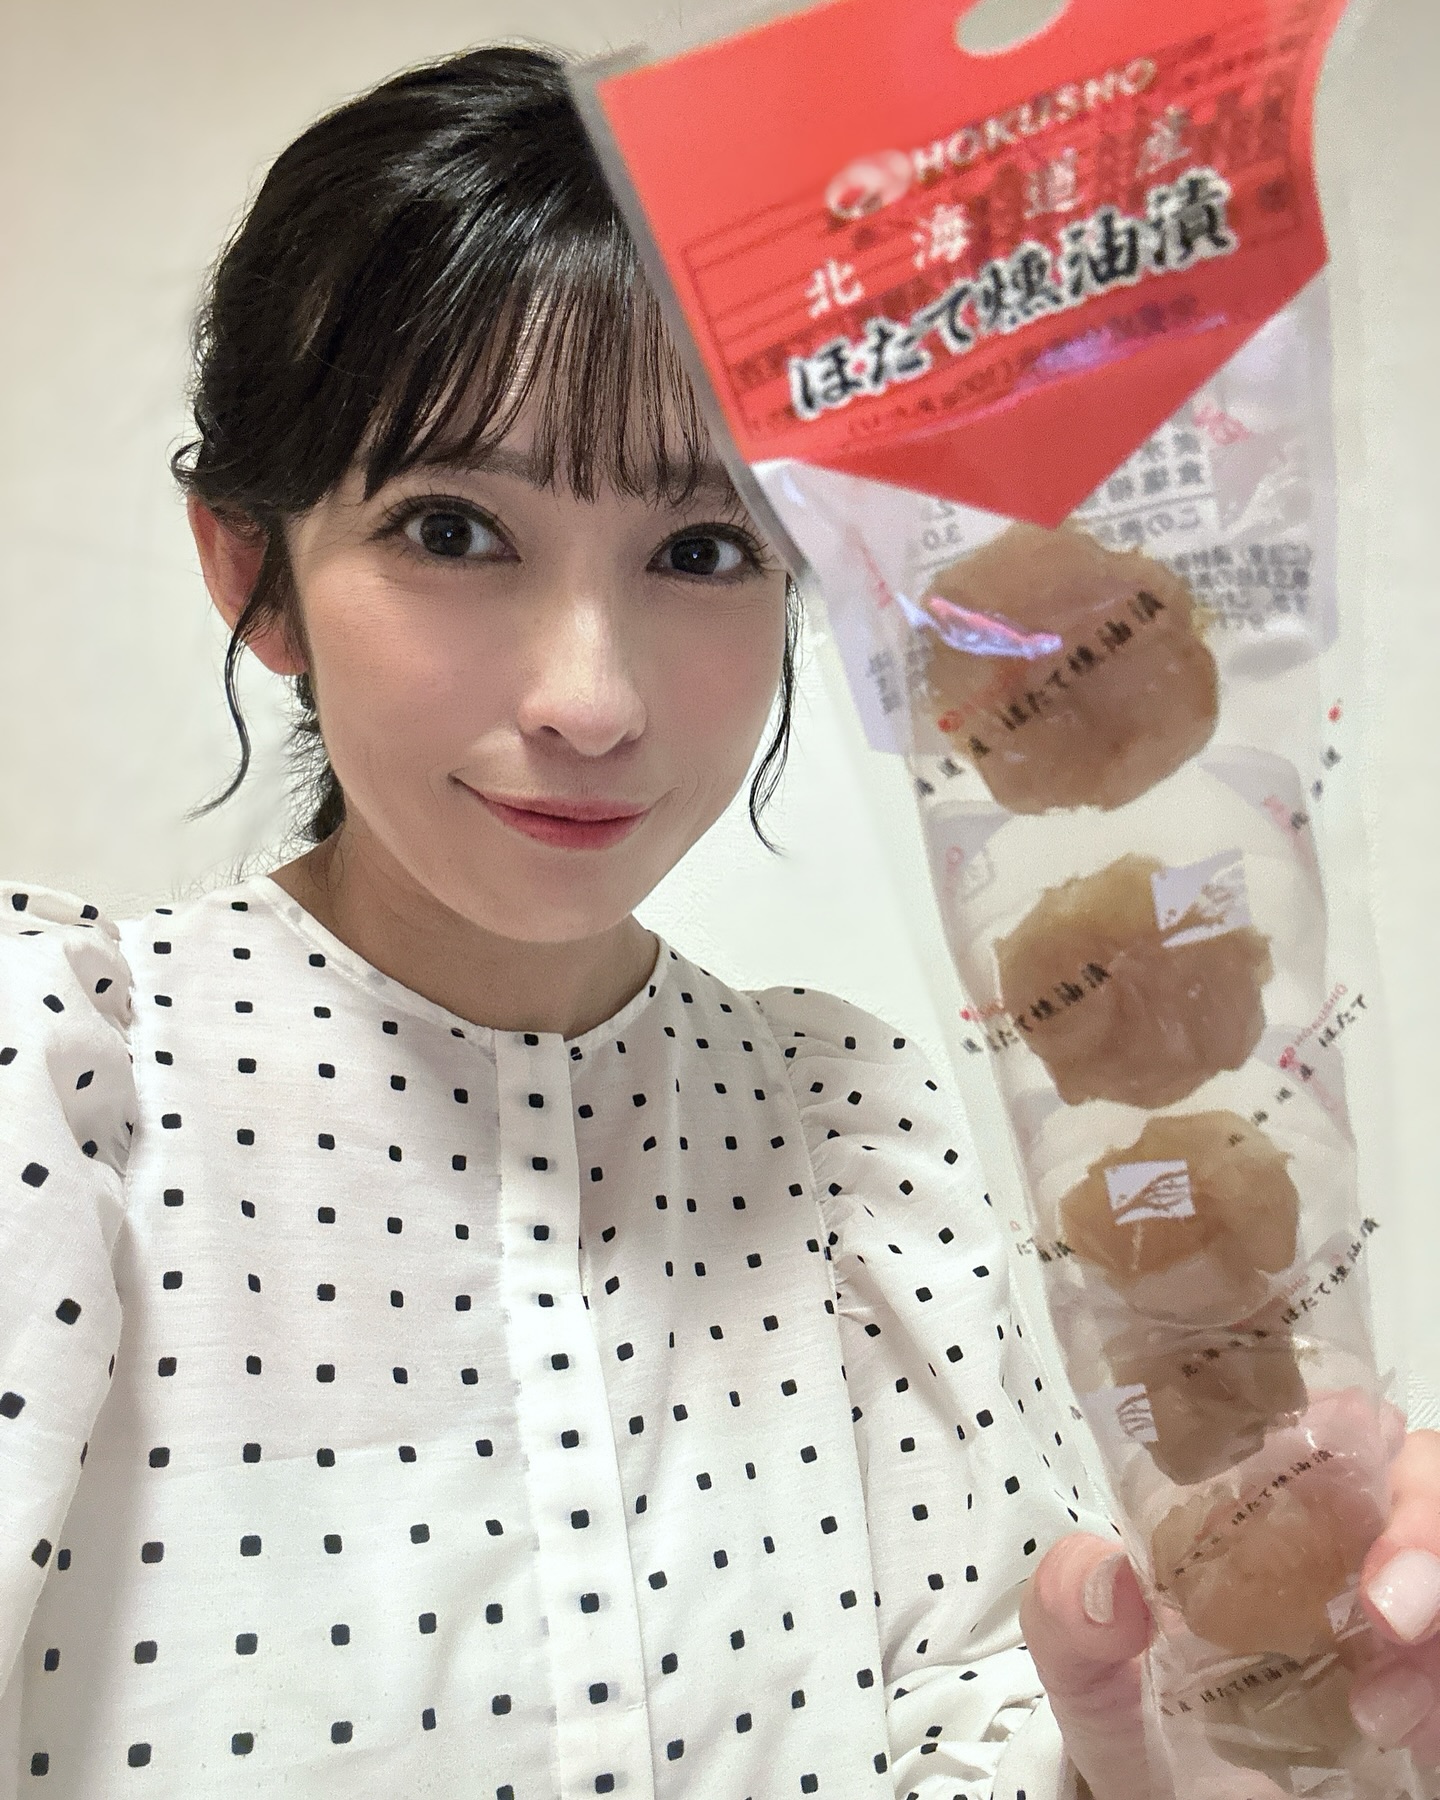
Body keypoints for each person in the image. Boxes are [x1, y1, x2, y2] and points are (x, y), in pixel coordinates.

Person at [3, 40, 1440, 1800]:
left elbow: (979, 1728)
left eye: (700, 551)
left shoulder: (852, 1136)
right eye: (452, 528)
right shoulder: (61, 1089)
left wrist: (1208, 1744)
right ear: (256, 573)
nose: (591, 700)